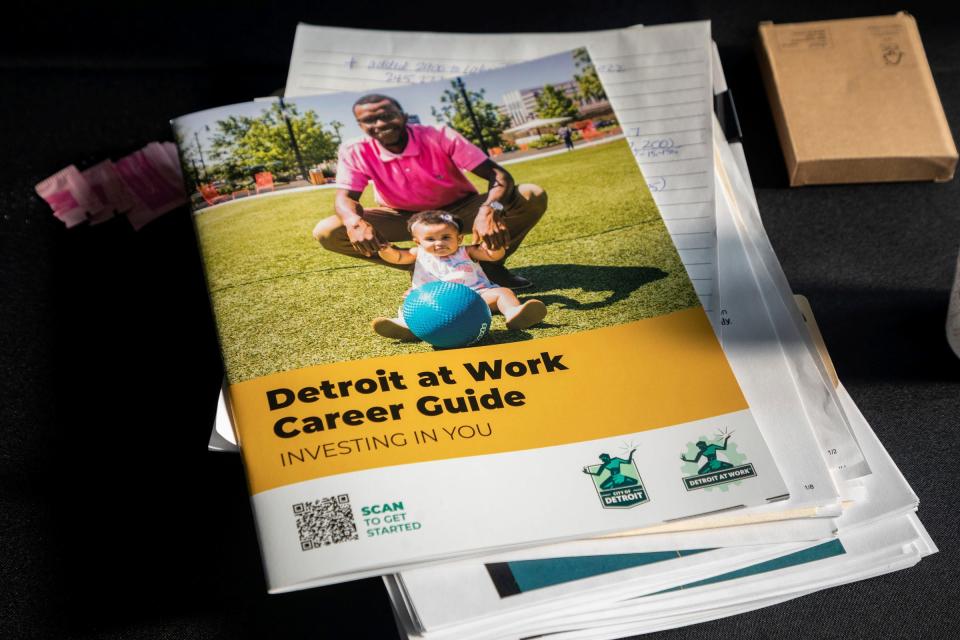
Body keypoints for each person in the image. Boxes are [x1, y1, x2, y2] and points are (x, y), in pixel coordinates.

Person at [312, 93, 548, 290]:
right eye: (370, 120)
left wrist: (490, 209)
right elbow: (345, 197)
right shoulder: (354, 150)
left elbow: (498, 175)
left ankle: (490, 265)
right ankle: (423, 266)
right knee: (329, 231)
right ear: (360, 126)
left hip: (459, 211)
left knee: (530, 195)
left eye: (387, 115)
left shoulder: (438, 135)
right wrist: (354, 222)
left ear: (403, 116)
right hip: (401, 216)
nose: (380, 124)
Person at [371, 210, 547, 340]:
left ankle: (514, 313)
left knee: (503, 292)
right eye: (430, 239)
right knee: (411, 307)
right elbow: (397, 257)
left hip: (475, 297)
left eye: (446, 237)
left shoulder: (467, 251)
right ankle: (407, 327)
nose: (439, 243)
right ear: (418, 242)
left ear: (460, 239)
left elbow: (493, 255)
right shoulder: (417, 253)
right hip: (431, 303)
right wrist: (384, 248)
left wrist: (495, 245)